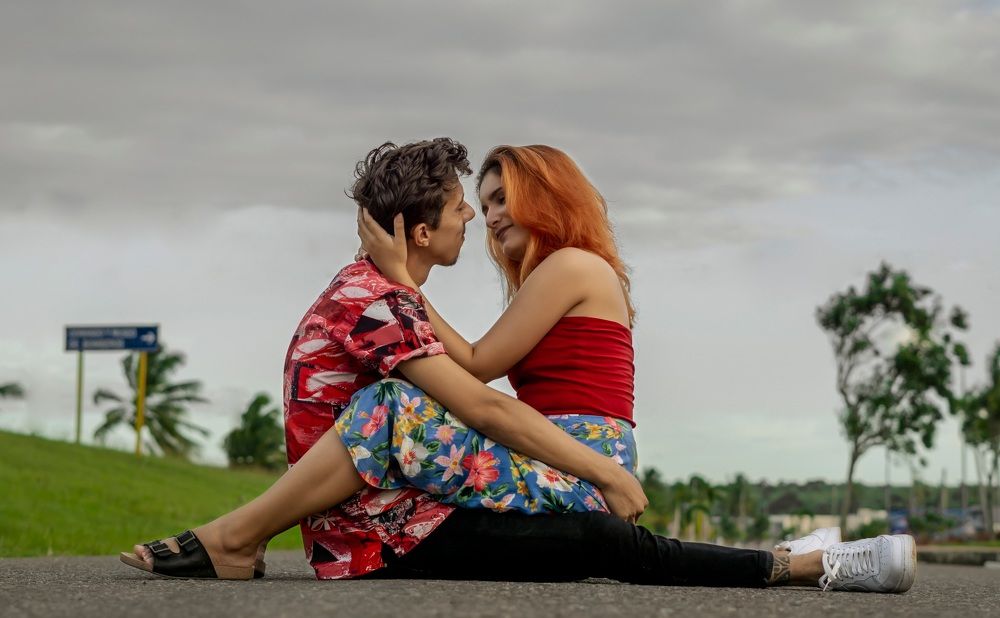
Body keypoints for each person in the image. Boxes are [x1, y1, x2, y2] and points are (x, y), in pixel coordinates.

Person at [120, 138, 915, 593]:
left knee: (394, 407)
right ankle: (805, 555)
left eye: (502, 198)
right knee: (402, 408)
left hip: (580, 451)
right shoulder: (522, 279)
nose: (485, 213)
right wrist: (401, 286)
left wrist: (403, 286)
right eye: (478, 200)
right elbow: (473, 376)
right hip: (557, 451)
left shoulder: (568, 266)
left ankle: (238, 537)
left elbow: (475, 375)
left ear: (547, 199)